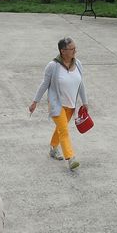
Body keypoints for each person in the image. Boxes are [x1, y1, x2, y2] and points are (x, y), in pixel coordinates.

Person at [28, 37, 87, 171]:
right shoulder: (53, 66)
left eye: (75, 48)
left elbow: (81, 84)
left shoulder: (78, 64)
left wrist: (85, 102)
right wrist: (34, 102)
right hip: (57, 105)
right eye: (72, 49)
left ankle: (53, 149)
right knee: (64, 131)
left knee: (61, 128)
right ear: (63, 51)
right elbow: (44, 84)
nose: (75, 51)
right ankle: (70, 158)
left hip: (71, 106)